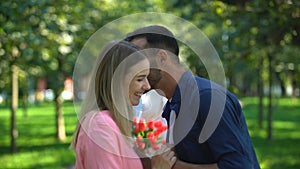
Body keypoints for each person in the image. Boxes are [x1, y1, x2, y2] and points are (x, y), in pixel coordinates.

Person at [125, 25, 260, 169]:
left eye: (140, 59)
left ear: (162, 58)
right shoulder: (174, 103)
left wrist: (174, 167)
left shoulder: (207, 98)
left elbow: (239, 166)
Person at [70, 40, 176, 169]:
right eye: (139, 79)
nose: (147, 86)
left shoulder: (114, 123)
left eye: (147, 78)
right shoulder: (100, 126)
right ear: (117, 80)